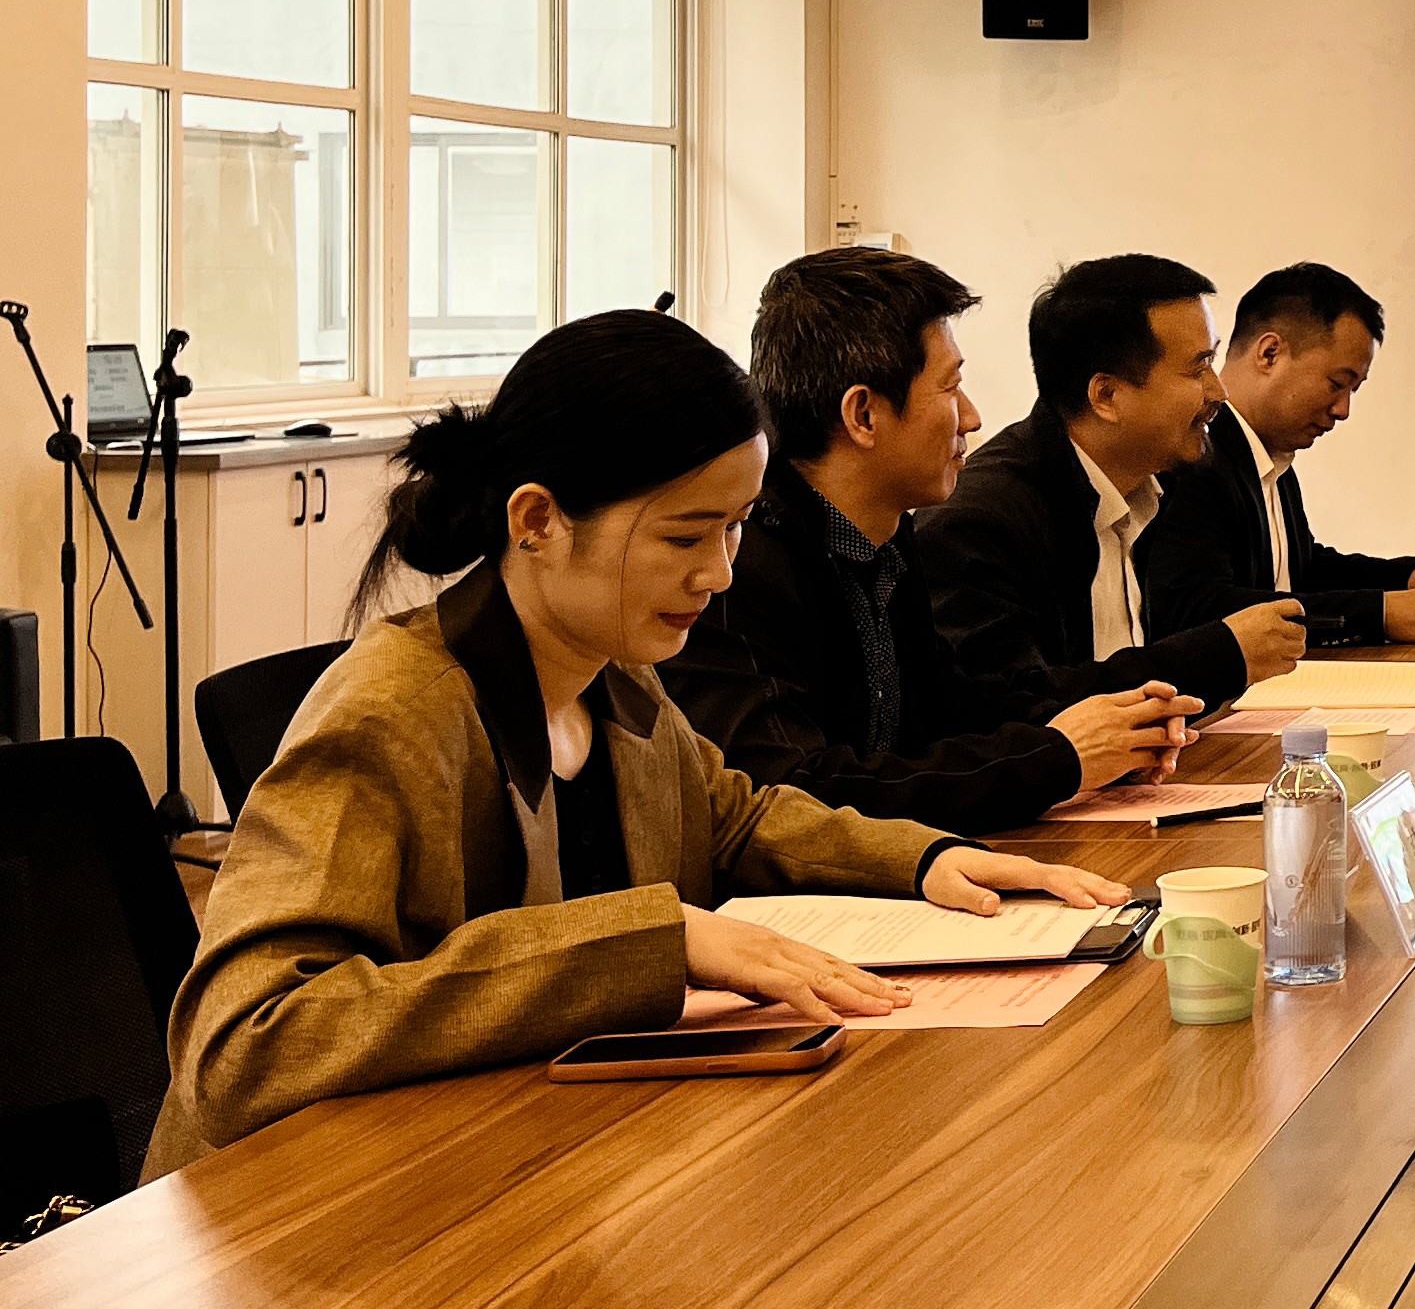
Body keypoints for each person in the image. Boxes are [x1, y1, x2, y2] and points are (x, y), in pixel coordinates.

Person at [146, 312, 1126, 1176]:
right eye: (684, 537)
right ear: (538, 521)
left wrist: (927, 862)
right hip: (308, 1226)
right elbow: (248, 1045)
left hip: (521, 1161)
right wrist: (656, 942)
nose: (721, 573)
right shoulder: (391, 713)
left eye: (736, 529)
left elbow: (731, 815)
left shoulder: (610, 666)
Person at [664, 249, 1197, 835]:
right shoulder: (738, 565)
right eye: (951, 387)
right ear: (864, 415)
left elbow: (950, 707)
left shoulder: (884, 535)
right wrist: (1057, 757)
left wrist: (1116, 727)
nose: (971, 417)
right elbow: (798, 790)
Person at [920, 255, 1307, 719]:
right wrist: (1219, 655)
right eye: (1198, 368)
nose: (1218, 391)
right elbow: (1013, 710)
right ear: (1106, 395)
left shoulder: (1160, 484)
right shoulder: (981, 522)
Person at [1144, 262, 1415, 652]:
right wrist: (1379, 614)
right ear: (1269, 353)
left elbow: (1300, 570)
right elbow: (1199, 608)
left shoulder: (1268, 456)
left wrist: (1411, 578)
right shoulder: (1197, 459)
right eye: (1337, 383)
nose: (1343, 409)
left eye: (1353, 390)